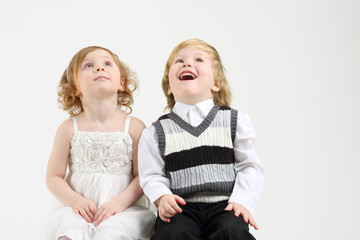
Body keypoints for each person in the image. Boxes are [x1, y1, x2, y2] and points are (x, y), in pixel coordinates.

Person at [138, 39, 264, 240]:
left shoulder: (235, 120)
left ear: (216, 84)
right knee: (172, 233)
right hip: (181, 208)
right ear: (168, 87)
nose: (187, 64)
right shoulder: (156, 131)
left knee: (232, 231)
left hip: (225, 204)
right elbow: (151, 175)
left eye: (198, 60)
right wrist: (162, 197)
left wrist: (242, 201)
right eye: (179, 61)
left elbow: (249, 166)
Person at [46, 46, 155, 240]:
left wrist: (119, 204)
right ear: (75, 89)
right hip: (79, 211)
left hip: (121, 210)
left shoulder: (134, 127)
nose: (99, 68)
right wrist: (76, 201)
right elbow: (53, 177)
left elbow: (142, 176)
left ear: (121, 83)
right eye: (88, 65)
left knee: (110, 236)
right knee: (68, 235)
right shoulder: (68, 128)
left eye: (107, 63)